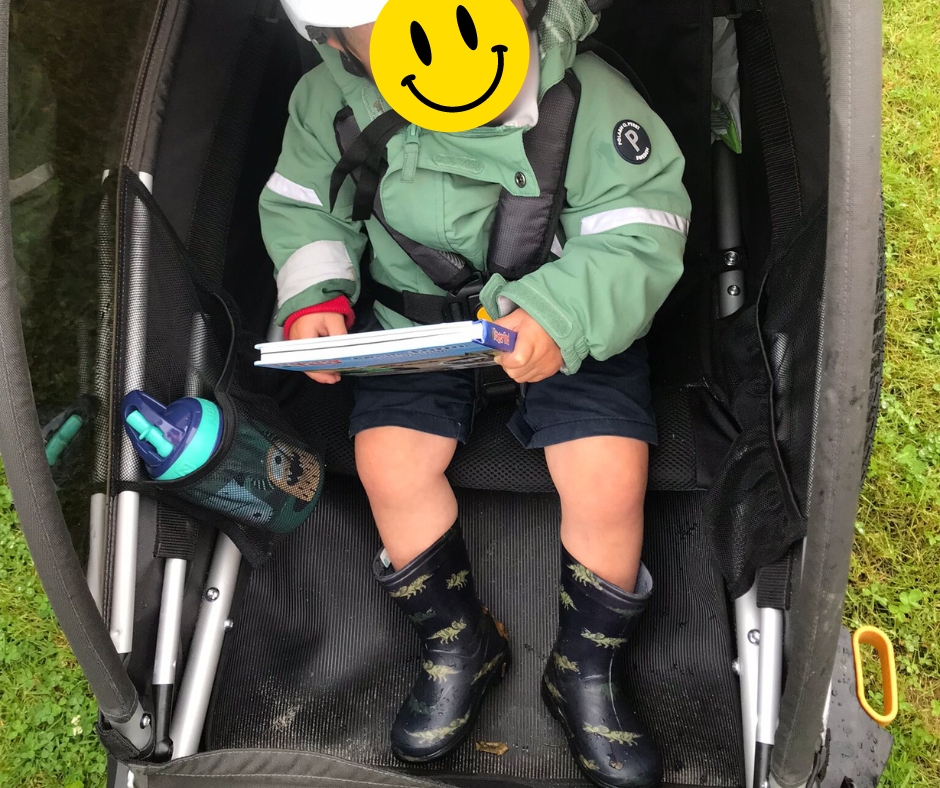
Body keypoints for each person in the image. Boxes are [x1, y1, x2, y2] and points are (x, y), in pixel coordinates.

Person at [260, 1, 690, 785]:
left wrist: (564, 312)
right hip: (415, 331)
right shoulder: (332, 104)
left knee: (607, 476)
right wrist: (317, 297)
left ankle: (586, 666)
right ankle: (456, 639)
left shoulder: (585, 99)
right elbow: (304, 208)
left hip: (570, 325)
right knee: (389, 466)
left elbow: (643, 228)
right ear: (334, 36)